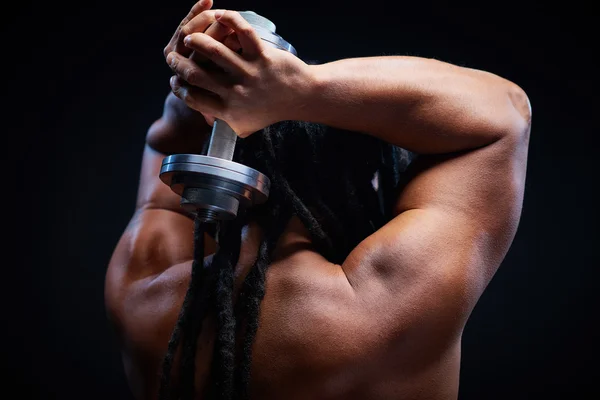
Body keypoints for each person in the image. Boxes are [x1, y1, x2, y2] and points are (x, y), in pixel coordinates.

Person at [104, 1, 532, 399]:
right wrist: (303, 90)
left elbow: (163, 149)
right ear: (352, 179)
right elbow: (505, 113)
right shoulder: (383, 299)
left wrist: (200, 73)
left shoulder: (144, 287)